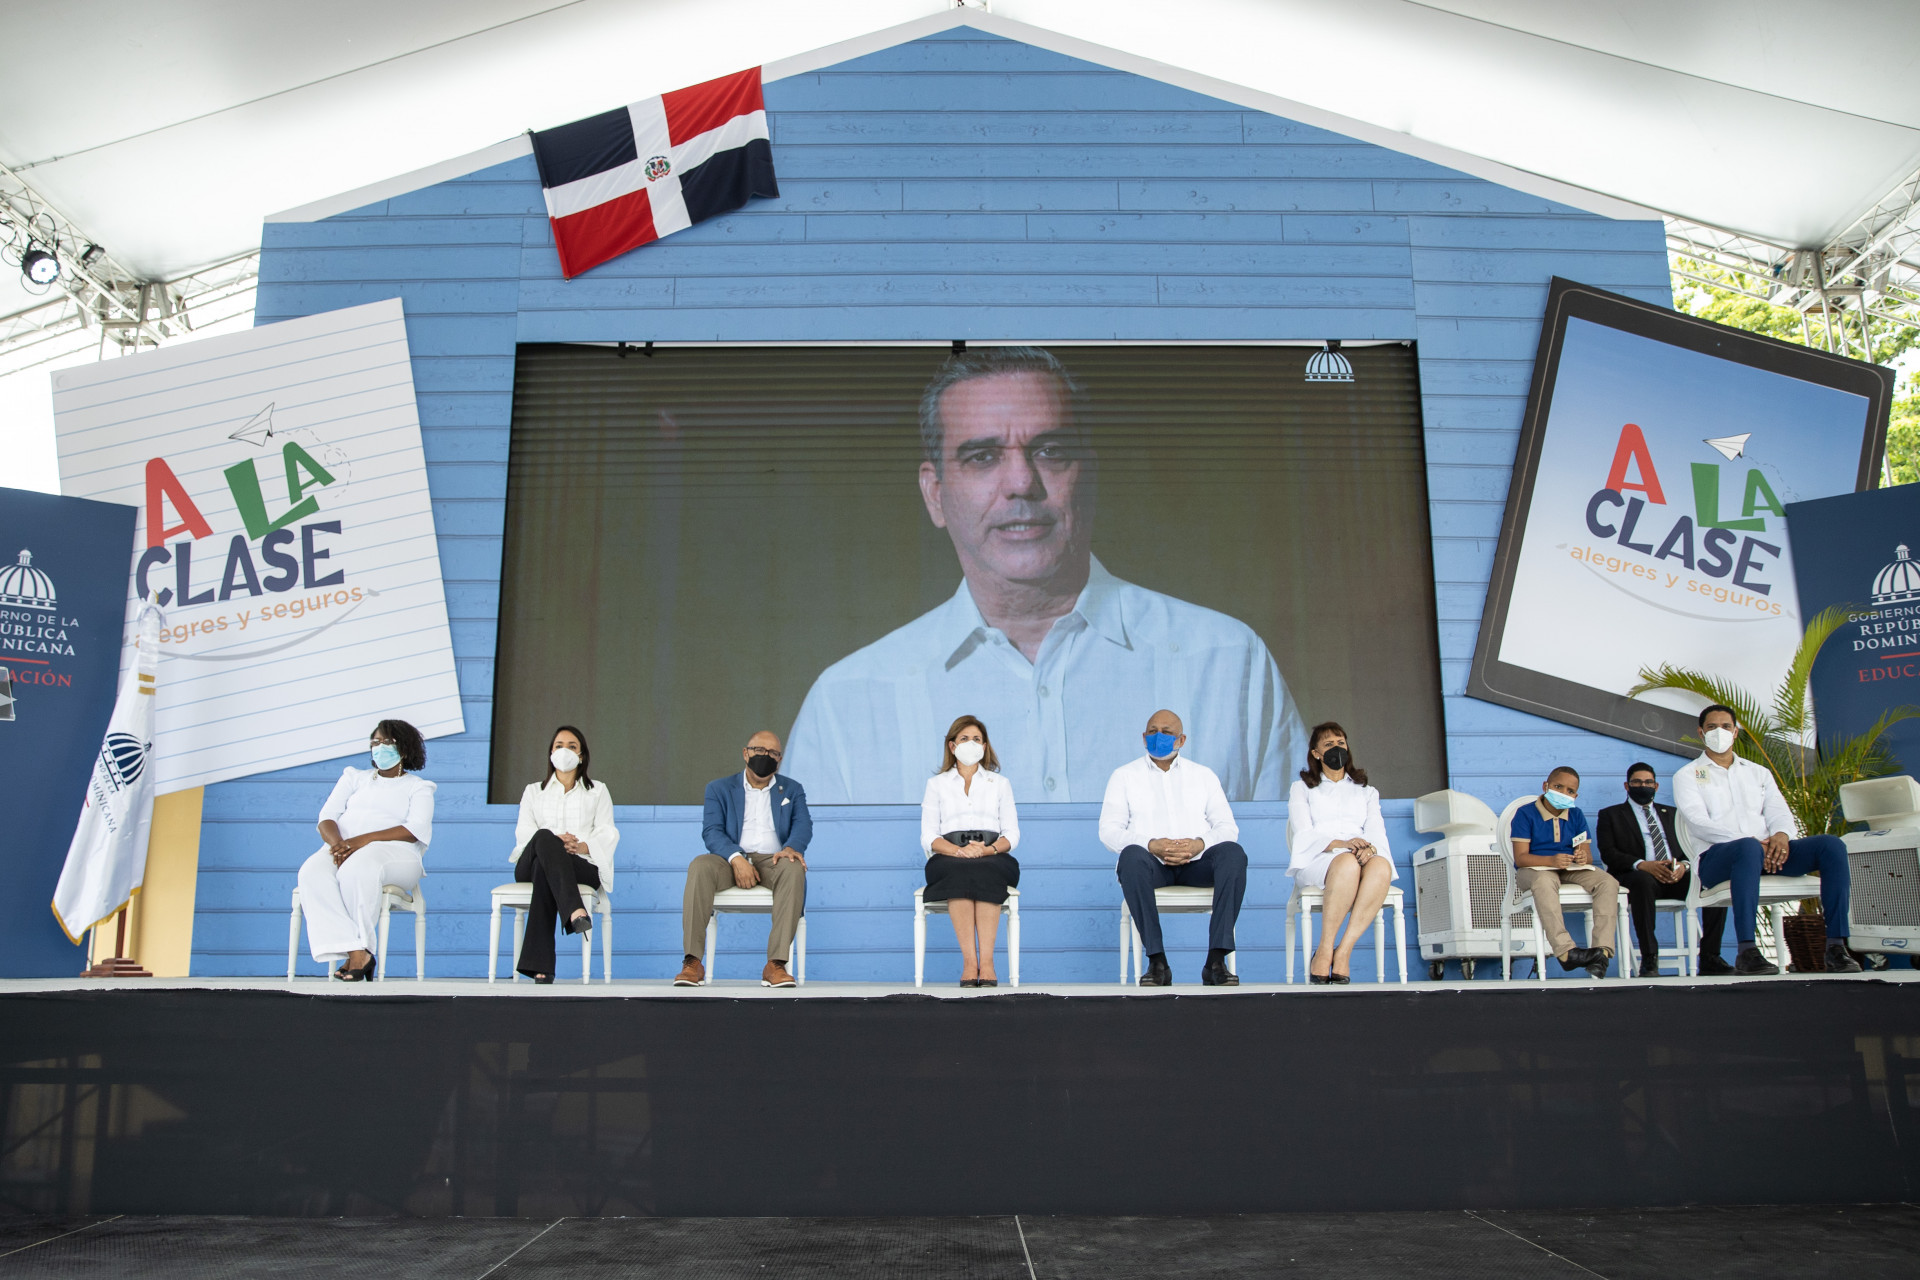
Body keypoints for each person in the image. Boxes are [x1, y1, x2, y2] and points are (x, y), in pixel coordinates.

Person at [786, 345, 1306, 804]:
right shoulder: (847, 705)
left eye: (1049, 451)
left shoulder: (1228, 664)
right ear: (935, 494)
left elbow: (1298, 870)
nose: (1021, 482)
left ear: (1089, 475)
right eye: (983, 456)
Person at [1671, 704, 1861, 975]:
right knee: (1748, 847)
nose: (1719, 732)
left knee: (1831, 846)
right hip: (1718, 860)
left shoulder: (1758, 772)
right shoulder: (1687, 775)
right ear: (1701, 733)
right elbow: (1698, 822)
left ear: (1735, 732)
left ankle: (1836, 948)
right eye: (1712, 727)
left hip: (1767, 855)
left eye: (1726, 726)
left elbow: (1779, 812)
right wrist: (1752, 842)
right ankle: (1747, 952)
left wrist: (1781, 836)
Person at [1100, 709, 1247, 986]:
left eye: (1167, 732)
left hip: (1197, 864)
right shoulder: (1124, 776)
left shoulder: (1203, 776)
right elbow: (1109, 832)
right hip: (1153, 866)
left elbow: (1228, 828)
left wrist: (1199, 844)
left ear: (1181, 740)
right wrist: (1150, 844)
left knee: (1233, 854)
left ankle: (1216, 961)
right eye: (1152, 731)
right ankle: (1157, 962)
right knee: (1131, 856)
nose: (1159, 736)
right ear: (1143, 737)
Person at [297, 720, 435, 981]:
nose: (380, 747)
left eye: (388, 742)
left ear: (405, 748)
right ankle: (356, 951)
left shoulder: (418, 787)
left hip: (395, 855)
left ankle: (360, 951)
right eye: (376, 742)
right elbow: (327, 817)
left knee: (358, 867)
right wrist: (338, 845)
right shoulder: (354, 777)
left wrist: (360, 841)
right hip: (342, 848)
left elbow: (414, 829)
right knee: (311, 873)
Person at [676, 730, 813, 988]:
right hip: (729, 860)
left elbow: (803, 825)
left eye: (773, 753)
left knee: (794, 868)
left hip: (774, 860)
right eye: (759, 750)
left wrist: (791, 848)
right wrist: (736, 858)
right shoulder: (719, 788)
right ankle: (692, 962)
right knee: (699, 866)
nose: (765, 756)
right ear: (745, 753)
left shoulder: (792, 789)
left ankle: (776, 964)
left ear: (780, 759)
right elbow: (712, 831)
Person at [1596, 761, 1731, 977]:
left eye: (1648, 782)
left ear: (1656, 786)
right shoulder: (1610, 815)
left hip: (1676, 875)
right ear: (1627, 785)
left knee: (1711, 882)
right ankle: (1649, 958)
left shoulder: (1674, 814)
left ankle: (1710, 956)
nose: (1643, 786)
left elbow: (1693, 849)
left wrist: (1684, 866)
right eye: (1637, 782)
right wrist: (1643, 865)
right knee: (1642, 881)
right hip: (1638, 876)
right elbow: (1608, 853)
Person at [508, 725, 619, 983]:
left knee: (544, 869)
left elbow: (608, 831)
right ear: (551, 753)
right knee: (544, 837)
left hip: (580, 864)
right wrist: (555, 841)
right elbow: (524, 833)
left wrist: (581, 847)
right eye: (559, 745)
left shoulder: (598, 790)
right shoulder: (533, 791)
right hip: (529, 861)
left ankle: (541, 967)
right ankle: (575, 910)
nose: (564, 750)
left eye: (572, 746)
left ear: (581, 755)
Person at [1287, 722, 1393, 984]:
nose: (1337, 748)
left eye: (1340, 743)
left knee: (1381, 866)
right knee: (1346, 862)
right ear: (1316, 754)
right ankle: (1324, 949)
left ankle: (1343, 950)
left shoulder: (1367, 791)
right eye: (1328, 744)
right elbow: (1303, 833)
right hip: (1319, 858)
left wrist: (1370, 848)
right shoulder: (1302, 788)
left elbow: (1376, 831)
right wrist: (1342, 843)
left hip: (1359, 855)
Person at [920, 715, 1022, 987]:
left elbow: (1012, 834)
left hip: (992, 854)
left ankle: (987, 963)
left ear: (984, 746)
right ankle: (969, 963)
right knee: (959, 871)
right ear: (952, 746)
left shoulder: (1000, 784)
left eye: (977, 739)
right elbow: (929, 836)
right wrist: (958, 851)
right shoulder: (936, 785)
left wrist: (987, 850)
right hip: (949, 855)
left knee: (986, 869)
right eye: (964, 738)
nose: (971, 744)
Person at [1509, 767, 1617, 979]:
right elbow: (1521, 858)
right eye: (1558, 787)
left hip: (1568, 868)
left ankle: (1601, 953)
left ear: (1575, 795)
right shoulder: (1525, 813)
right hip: (1534, 869)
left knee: (1607, 882)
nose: (1563, 793)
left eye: (1570, 791)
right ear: (1546, 786)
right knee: (1544, 881)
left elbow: (1586, 853)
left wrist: (1582, 857)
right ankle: (1566, 952)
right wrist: (1551, 861)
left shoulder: (1576, 815)